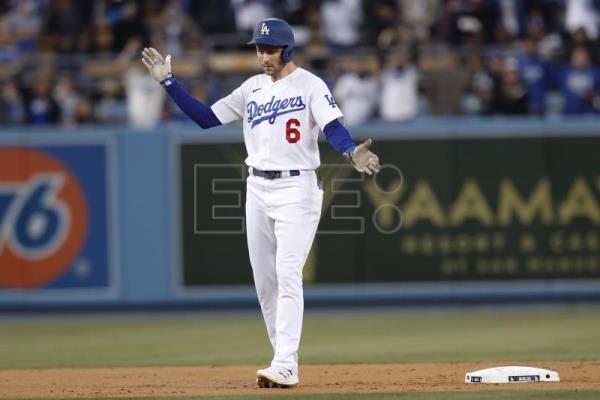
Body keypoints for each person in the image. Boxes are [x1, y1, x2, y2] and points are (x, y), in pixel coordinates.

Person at [141, 18, 380, 388]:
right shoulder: (251, 87)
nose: (263, 55)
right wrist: (168, 82)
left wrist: (350, 152)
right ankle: (282, 360)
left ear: (288, 49)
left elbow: (333, 128)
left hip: (297, 189)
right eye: (259, 48)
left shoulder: (310, 85)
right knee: (265, 283)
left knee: (287, 273)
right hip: (257, 188)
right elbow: (206, 118)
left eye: (270, 49)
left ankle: (285, 363)